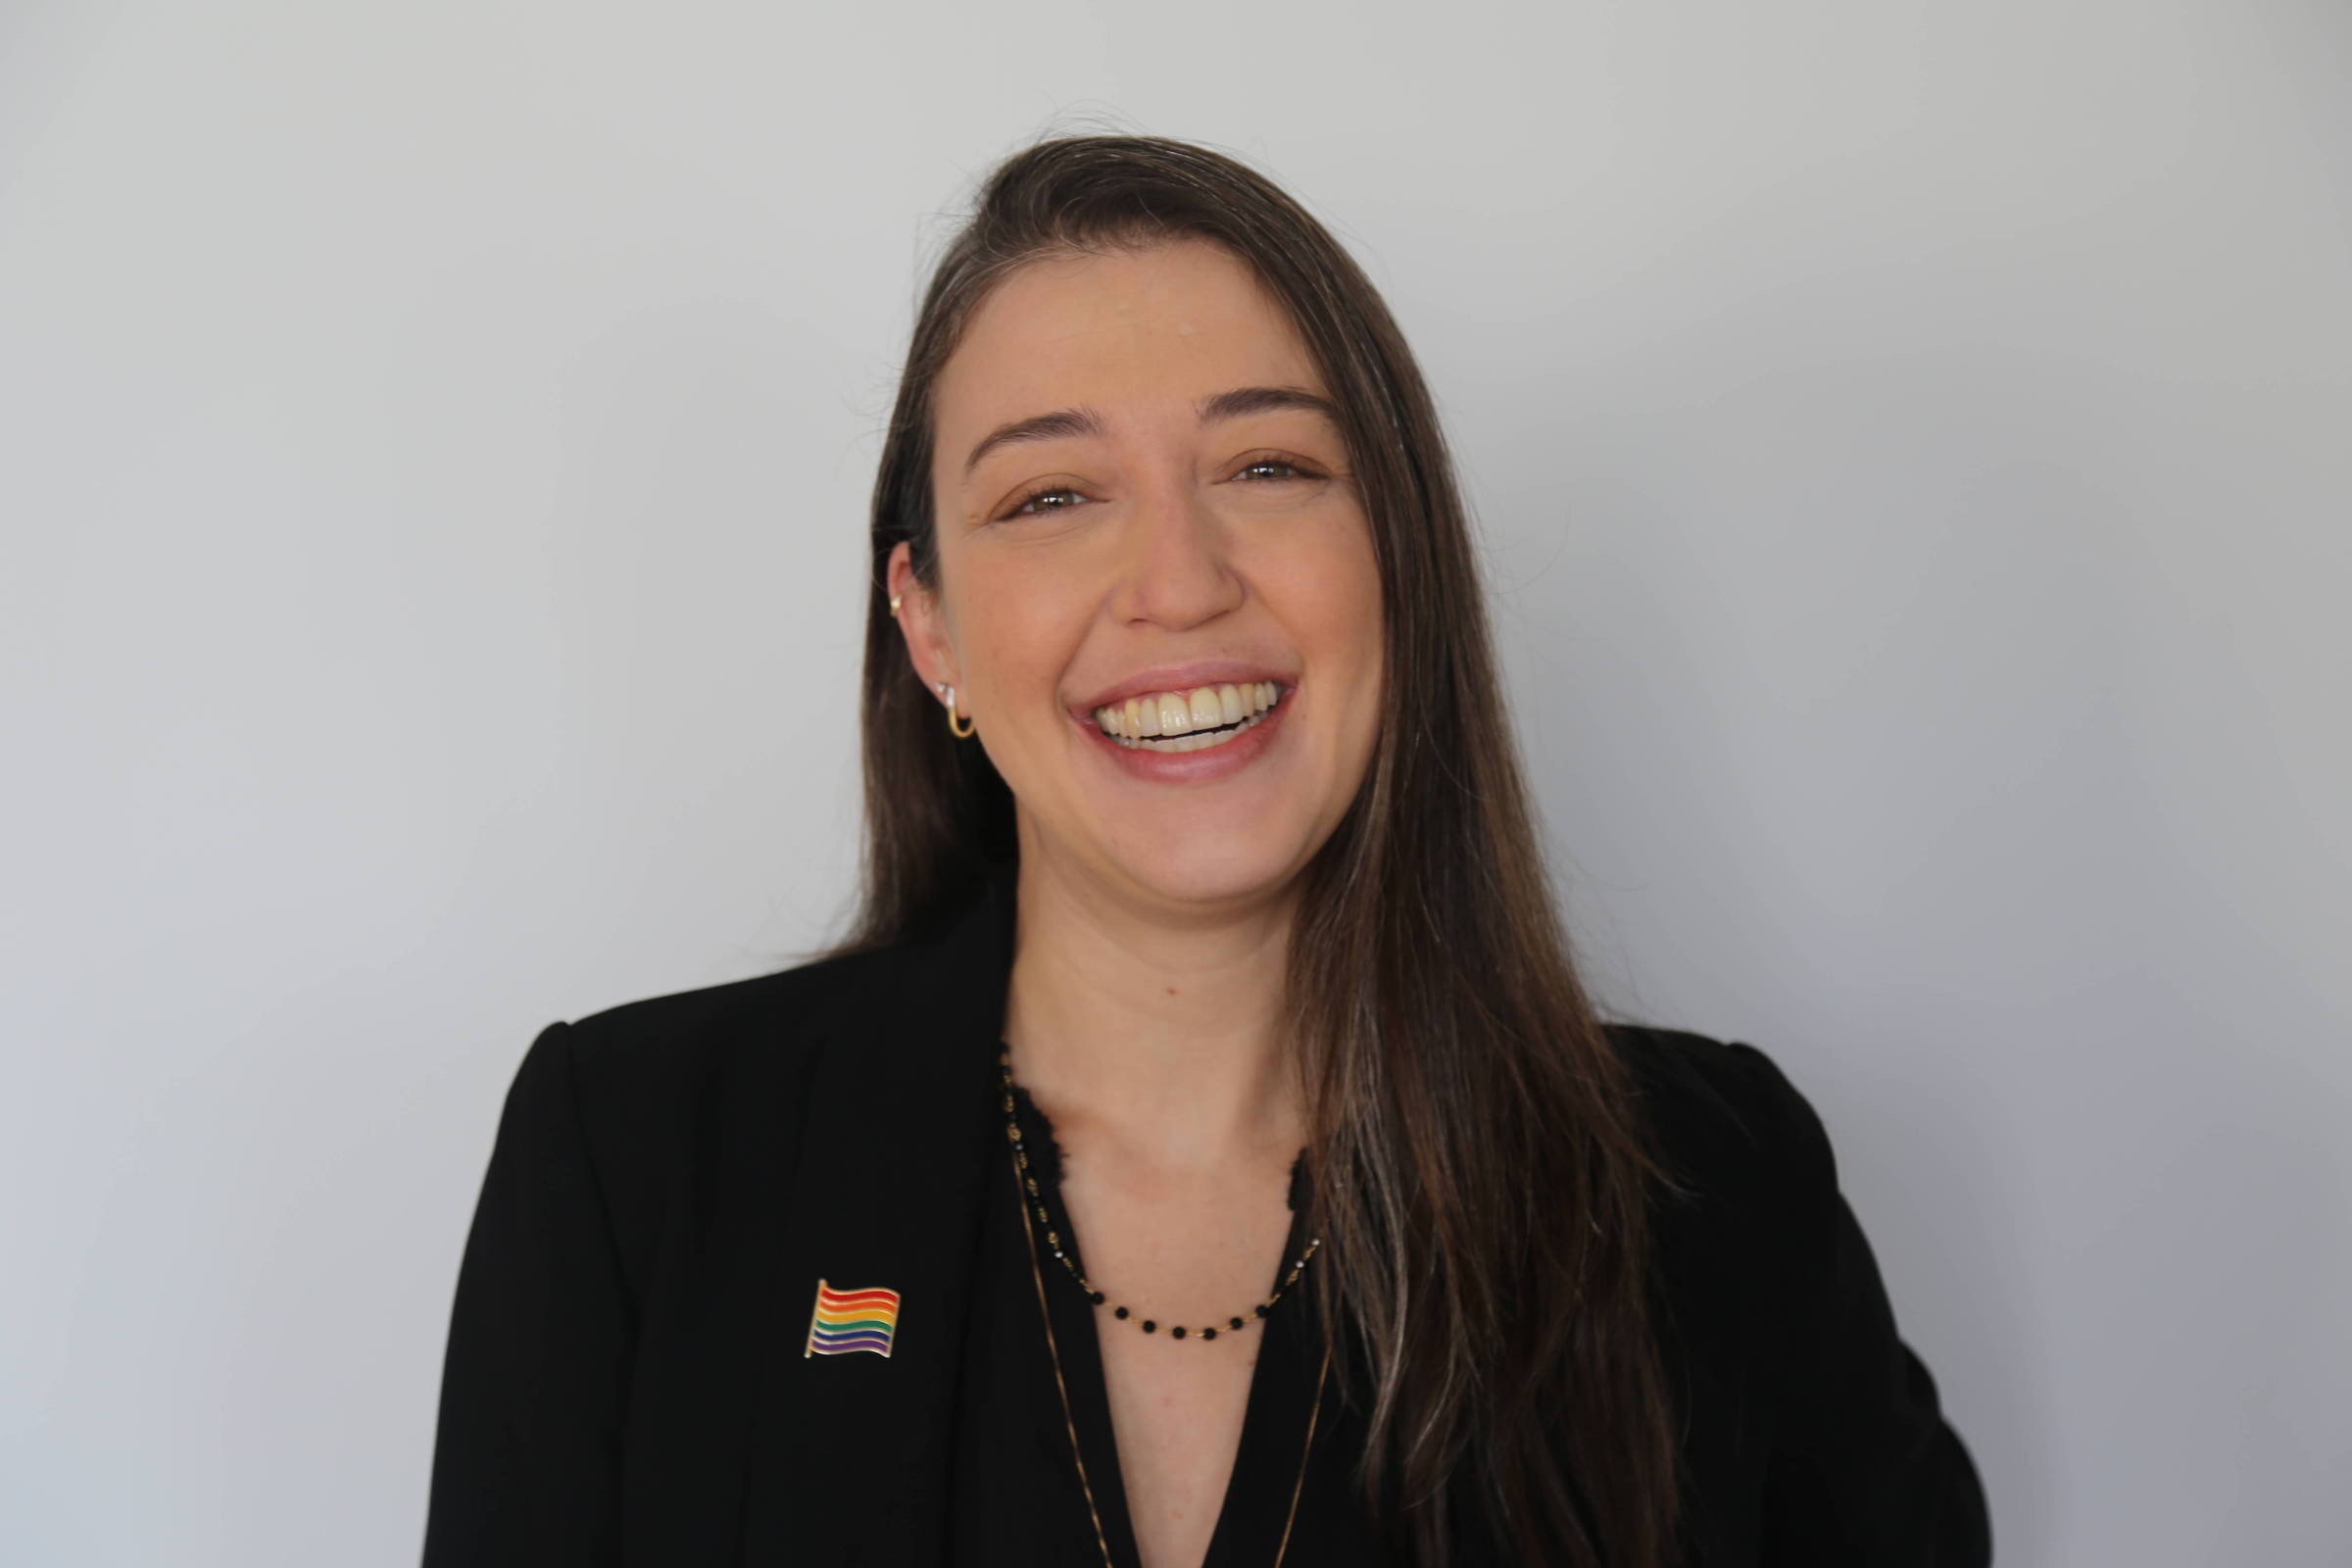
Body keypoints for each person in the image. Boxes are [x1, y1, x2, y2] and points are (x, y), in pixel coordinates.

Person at [420, 134, 1991, 1568]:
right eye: (1051, 494)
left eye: (1269, 468)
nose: (1178, 583)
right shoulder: (638, 1169)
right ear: (930, 624)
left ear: (1404, 558)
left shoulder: (1714, 1195)